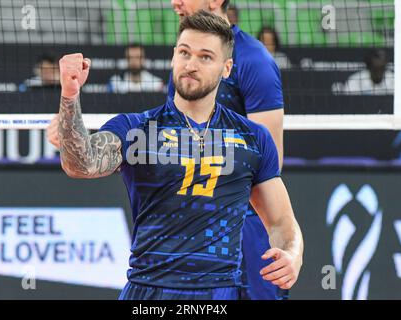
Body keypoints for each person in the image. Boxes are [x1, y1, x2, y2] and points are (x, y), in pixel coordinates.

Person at [48, 0, 287, 300]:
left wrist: (291, 251)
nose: (190, 64)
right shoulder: (138, 128)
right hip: (150, 290)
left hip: (222, 277)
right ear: (173, 56)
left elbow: (276, 204)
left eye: (204, 57)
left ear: (226, 68)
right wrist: (70, 98)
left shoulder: (252, 120)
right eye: (184, 53)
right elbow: (80, 164)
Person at [170, 0, 286, 300]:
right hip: (194, 225)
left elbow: (269, 162)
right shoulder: (185, 67)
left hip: (246, 223)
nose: (174, 2)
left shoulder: (254, 60)